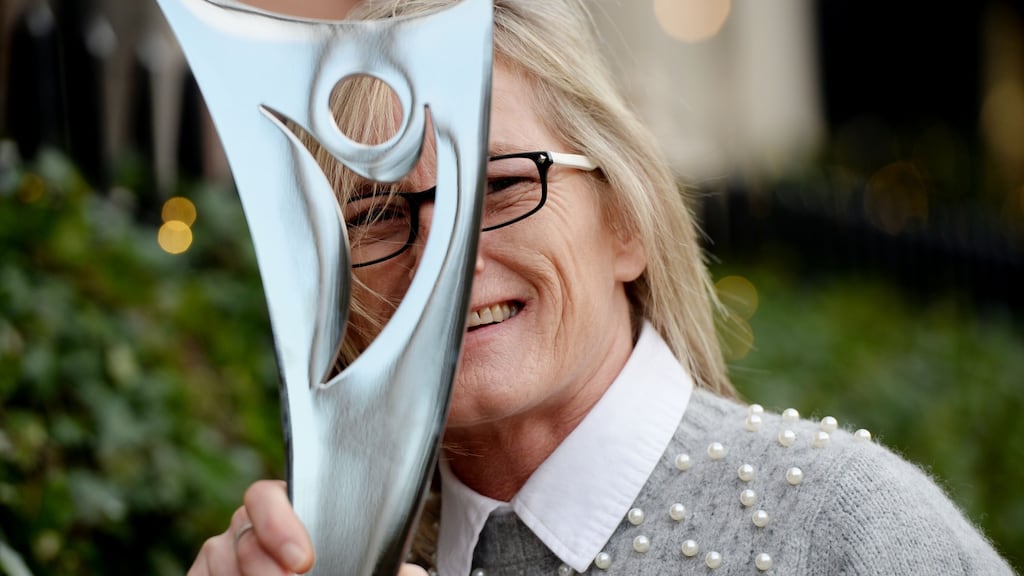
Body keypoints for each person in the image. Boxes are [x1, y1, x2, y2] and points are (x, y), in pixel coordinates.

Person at [188, 1, 1016, 575]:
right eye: (375, 212)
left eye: (503, 187)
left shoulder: (852, 526)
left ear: (627, 220)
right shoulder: (322, 552)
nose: (444, 258)